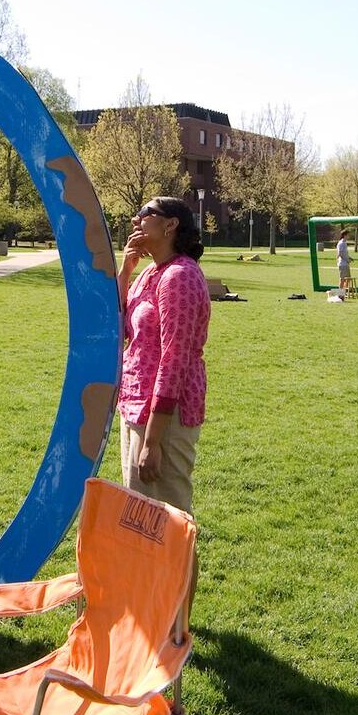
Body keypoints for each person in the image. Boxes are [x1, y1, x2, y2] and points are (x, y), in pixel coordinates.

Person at [117, 196, 210, 516]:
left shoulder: (180, 276)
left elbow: (174, 359)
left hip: (164, 420)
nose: (135, 220)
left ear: (170, 225)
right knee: (140, 519)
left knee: (168, 523)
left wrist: (153, 441)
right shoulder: (148, 274)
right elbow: (119, 331)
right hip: (135, 406)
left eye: (145, 213)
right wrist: (126, 271)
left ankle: (181, 571)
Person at [336, 229, 353, 293]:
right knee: (342, 279)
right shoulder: (341, 243)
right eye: (348, 235)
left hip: (346, 263)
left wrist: (349, 258)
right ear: (345, 235)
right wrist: (347, 260)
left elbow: (345, 253)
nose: (349, 236)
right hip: (342, 264)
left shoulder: (345, 243)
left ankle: (344, 291)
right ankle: (340, 292)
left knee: (348, 278)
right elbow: (340, 254)